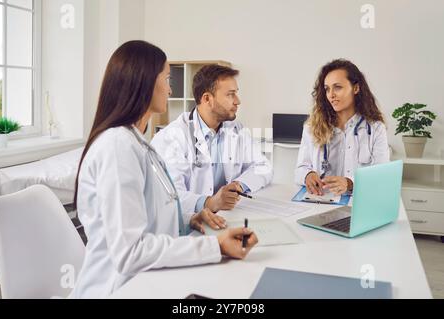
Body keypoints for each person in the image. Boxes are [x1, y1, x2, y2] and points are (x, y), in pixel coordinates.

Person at [71, 41, 258, 298]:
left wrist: (188, 219)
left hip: (150, 280)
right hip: (119, 289)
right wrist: (216, 246)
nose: (171, 89)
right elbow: (130, 252)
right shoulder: (117, 147)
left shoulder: (138, 144)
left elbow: (150, 213)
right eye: (167, 79)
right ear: (144, 82)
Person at [151, 65, 273, 215]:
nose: (238, 101)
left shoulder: (236, 129)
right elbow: (170, 195)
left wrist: (238, 185)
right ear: (207, 99)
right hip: (191, 226)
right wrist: (209, 203)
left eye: (236, 94)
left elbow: (264, 166)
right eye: (230, 94)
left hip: (229, 216)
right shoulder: (172, 137)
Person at [295, 59, 389, 196]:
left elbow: (381, 174)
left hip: (357, 202)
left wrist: (350, 183)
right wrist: (307, 175)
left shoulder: (375, 129)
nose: (331, 95)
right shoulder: (312, 127)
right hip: (320, 201)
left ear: (356, 88)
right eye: (327, 89)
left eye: (337, 87)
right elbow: (300, 168)